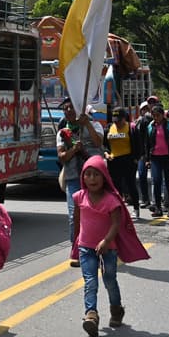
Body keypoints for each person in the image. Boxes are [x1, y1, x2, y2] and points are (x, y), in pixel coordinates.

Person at [72, 156, 125, 337]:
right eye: (88, 174)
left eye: (96, 174)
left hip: (108, 249)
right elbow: (77, 222)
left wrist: (106, 241)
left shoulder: (111, 200)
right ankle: (91, 316)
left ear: (104, 177)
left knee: (109, 280)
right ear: (83, 177)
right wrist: (75, 243)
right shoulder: (79, 197)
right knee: (90, 282)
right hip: (86, 248)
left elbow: (116, 223)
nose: (92, 179)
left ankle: (116, 310)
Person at [57, 98, 104, 256]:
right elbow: (62, 156)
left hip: (94, 179)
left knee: (97, 213)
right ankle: (76, 249)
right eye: (66, 108)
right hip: (73, 178)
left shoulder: (94, 125)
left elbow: (98, 143)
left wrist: (87, 124)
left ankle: (99, 246)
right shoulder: (63, 132)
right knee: (73, 216)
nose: (68, 111)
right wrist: (74, 150)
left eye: (72, 108)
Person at [145, 103, 169, 216]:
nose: (156, 118)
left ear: (163, 115)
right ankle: (157, 207)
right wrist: (147, 159)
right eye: (154, 115)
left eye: (158, 115)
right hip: (155, 157)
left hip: (168, 157)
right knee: (156, 182)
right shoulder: (150, 126)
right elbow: (147, 144)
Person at [105, 107, 138, 217]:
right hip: (114, 161)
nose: (117, 123)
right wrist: (106, 153)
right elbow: (104, 145)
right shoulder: (109, 128)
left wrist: (135, 158)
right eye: (115, 120)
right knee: (116, 187)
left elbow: (139, 144)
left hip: (128, 160)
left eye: (119, 120)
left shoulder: (131, 128)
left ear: (124, 118)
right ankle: (118, 210)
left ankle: (136, 208)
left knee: (130, 185)